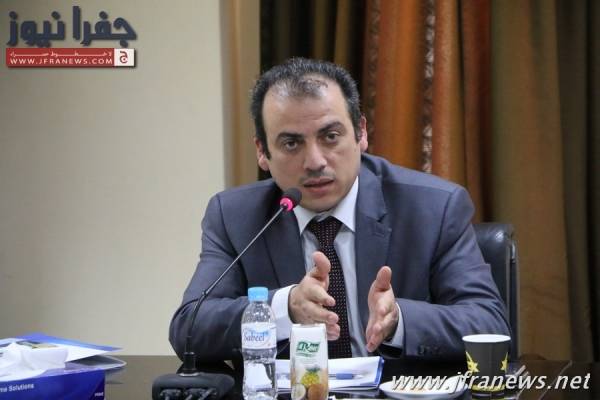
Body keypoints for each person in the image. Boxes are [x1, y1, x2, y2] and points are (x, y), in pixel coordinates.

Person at [169, 58, 509, 363]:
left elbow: (488, 322)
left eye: (330, 136)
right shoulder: (235, 216)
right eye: (291, 143)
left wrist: (399, 320)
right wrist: (284, 308)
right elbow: (189, 328)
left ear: (361, 133)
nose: (315, 161)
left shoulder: (433, 208)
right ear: (262, 151)